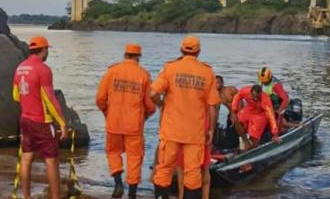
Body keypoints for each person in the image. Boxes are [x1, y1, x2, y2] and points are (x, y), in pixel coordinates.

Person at [151, 36, 220, 199]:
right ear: (199, 52)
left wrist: (161, 104)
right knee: (193, 173)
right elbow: (213, 106)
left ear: (181, 50)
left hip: (171, 130)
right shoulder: (207, 72)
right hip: (194, 133)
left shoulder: (170, 68)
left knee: (164, 168)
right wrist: (210, 130)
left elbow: (152, 93)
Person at [96, 44, 155, 199]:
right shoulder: (144, 75)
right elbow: (150, 104)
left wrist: (107, 113)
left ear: (125, 55)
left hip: (114, 122)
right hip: (134, 125)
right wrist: (146, 116)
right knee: (135, 158)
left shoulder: (112, 72)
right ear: (138, 57)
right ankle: (132, 194)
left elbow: (100, 98)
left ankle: (118, 183)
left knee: (113, 153)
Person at [12, 36, 68, 199]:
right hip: (42, 121)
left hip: (25, 119)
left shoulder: (20, 67)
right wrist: (62, 123)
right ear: (43, 50)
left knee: (27, 157)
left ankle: (26, 196)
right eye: (47, 49)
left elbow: (16, 95)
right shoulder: (43, 69)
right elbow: (50, 99)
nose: (47, 52)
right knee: (51, 160)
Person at [230, 85, 280, 150]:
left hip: (260, 114)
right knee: (236, 119)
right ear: (250, 92)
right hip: (249, 109)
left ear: (260, 94)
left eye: (257, 97)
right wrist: (234, 111)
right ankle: (246, 142)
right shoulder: (245, 90)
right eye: (254, 97)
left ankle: (252, 148)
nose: (255, 99)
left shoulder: (266, 100)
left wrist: (275, 134)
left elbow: (271, 117)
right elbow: (237, 97)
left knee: (255, 139)